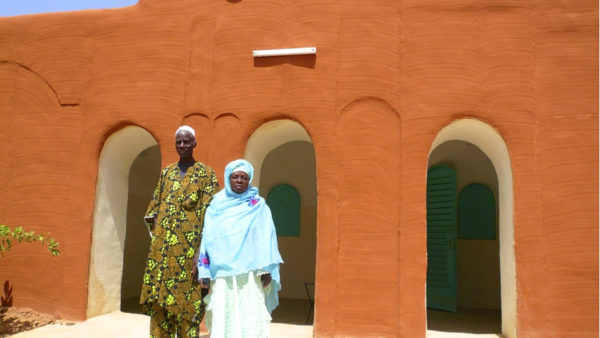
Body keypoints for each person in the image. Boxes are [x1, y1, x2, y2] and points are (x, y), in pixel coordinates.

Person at [140, 125, 219, 338]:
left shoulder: (206, 174)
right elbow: (153, 210)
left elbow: (211, 218)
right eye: (179, 142)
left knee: (188, 310)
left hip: (188, 258)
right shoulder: (166, 173)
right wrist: (159, 234)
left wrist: (200, 257)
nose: (182, 145)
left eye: (186, 141)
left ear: (194, 143)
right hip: (162, 258)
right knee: (160, 311)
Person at [197, 159, 283, 337]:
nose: (239, 181)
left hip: (251, 272)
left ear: (249, 180)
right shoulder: (216, 206)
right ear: (228, 178)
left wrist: (266, 269)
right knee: (224, 313)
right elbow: (207, 236)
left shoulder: (259, 206)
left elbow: (267, 236)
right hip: (222, 272)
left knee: (250, 312)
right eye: (235, 176)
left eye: (244, 177)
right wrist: (203, 270)